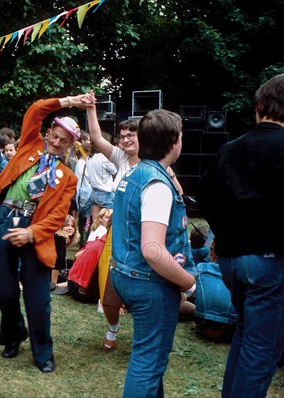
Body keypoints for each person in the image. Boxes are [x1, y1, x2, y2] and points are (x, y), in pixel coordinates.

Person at [196, 72, 284, 397]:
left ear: (259, 104)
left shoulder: (230, 148)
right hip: (267, 263)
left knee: (245, 338)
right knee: (262, 353)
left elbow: (204, 194)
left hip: (230, 261)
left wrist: (221, 234)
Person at [0, 94, 87, 373]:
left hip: (36, 231)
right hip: (7, 218)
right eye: (54, 135)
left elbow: (56, 217)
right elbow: (36, 110)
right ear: (49, 132)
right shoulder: (29, 146)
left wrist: (31, 233)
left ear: (70, 146)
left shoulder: (68, 177)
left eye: (64, 141)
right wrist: (69, 101)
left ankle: (43, 352)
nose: (56, 142)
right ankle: (15, 333)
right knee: (4, 290)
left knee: (38, 299)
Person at [109, 109, 196, 397]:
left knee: (150, 359)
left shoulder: (136, 171)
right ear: (173, 142)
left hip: (126, 273)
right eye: (181, 136)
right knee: (148, 362)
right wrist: (189, 282)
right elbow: (153, 250)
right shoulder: (157, 183)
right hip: (148, 282)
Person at [66, 209, 113, 303]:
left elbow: (78, 255)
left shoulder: (98, 239)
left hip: (72, 282)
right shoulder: (105, 245)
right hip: (81, 291)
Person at [51, 215, 79, 291]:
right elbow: (56, 263)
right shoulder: (60, 238)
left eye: (72, 226)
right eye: (67, 225)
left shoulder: (60, 238)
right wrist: (53, 284)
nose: (70, 228)